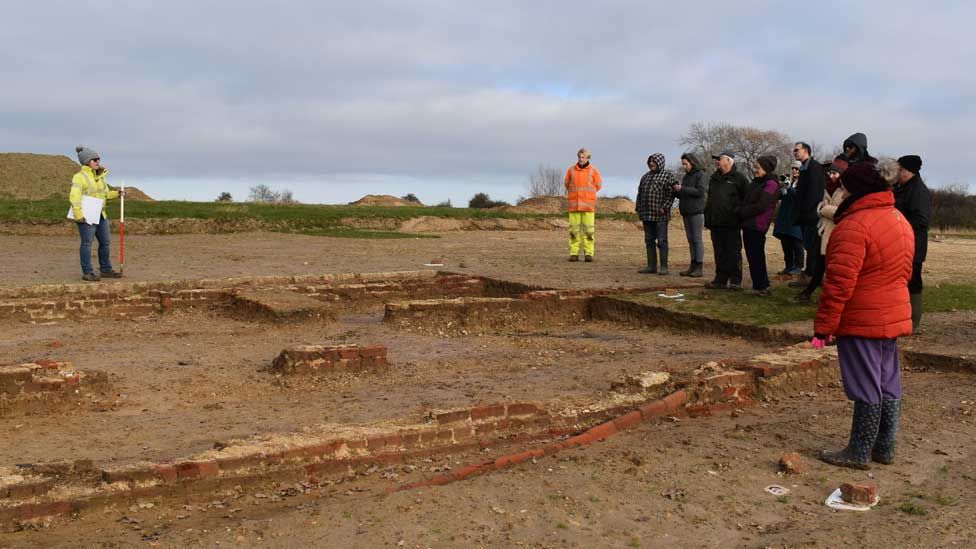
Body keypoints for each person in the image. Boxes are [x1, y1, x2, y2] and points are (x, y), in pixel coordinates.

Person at [814, 162, 914, 469]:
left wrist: (824, 328)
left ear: (852, 189)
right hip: (892, 312)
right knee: (887, 380)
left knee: (866, 383)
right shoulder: (899, 219)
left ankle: (858, 452)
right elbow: (906, 271)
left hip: (862, 316)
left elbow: (838, 283)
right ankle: (884, 447)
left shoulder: (854, 226)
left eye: (843, 186)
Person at [793, 156, 850, 303]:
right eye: (830, 173)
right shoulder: (827, 188)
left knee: (831, 268)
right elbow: (820, 207)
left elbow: (842, 212)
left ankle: (821, 295)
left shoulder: (846, 191)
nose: (831, 176)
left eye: (835, 173)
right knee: (819, 264)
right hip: (823, 231)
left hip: (836, 234)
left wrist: (824, 209)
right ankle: (809, 292)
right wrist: (823, 209)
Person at [69, 145, 124, 281]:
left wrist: (116, 194)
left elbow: (104, 194)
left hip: (101, 214)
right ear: (87, 161)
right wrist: (78, 214)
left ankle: (106, 269)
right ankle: (88, 272)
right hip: (86, 216)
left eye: (98, 159)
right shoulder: (79, 177)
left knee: (105, 242)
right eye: (94, 159)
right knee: (87, 243)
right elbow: (74, 196)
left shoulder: (100, 177)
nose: (98, 161)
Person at [893, 155, 932, 331]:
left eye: (900, 169)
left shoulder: (919, 191)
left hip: (914, 245)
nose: (897, 173)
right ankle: (900, 318)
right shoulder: (898, 188)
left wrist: (899, 222)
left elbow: (922, 220)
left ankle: (913, 321)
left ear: (910, 171)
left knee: (913, 280)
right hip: (898, 243)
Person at [703, 151, 749, 290]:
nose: (717, 161)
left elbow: (747, 199)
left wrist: (737, 212)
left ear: (729, 161)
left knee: (733, 252)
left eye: (719, 158)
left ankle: (735, 280)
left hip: (731, 223)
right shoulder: (714, 178)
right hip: (715, 222)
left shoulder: (740, 179)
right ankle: (720, 279)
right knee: (719, 252)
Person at [738, 155, 780, 296]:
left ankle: (763, 286)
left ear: (766, 168)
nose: (756, 170)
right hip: (748, 224)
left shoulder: (771, 184)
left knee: (757, 256)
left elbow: (762, 205)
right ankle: (758, 285)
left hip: (757, 224)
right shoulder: (756, 182)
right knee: (752, 256)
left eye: (758, 167)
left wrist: (742, 212)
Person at [789, 142, 825, 290]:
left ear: (806, 151)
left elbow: (814, 193)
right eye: (794, 150)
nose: (794, 152)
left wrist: (806, 212)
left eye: (797, 150)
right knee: (809, 246)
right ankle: (810, 274)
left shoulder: (814, 167)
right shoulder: (805, 168)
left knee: (812, 247)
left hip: (811, 215)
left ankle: (812, 276)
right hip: (806, 215)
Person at [635, 153, 677, 274]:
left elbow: (671, 194)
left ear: (660, 162)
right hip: (646, 214)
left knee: (662, 241)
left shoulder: (667, 175)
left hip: (661, 215)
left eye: (654, 161)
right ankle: (651, 267)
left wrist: (665, 207)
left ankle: (664, 267)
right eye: (650, 161)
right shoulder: (645, 177)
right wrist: (638, 208)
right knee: (649, 240)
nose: (651, 163)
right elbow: (639, 194)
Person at [564, 148, 603, 262]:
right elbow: (567, 184)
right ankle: (574, 253)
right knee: (574, 231)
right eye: (579, 157)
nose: (581, 159)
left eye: (583, 157)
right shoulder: (571, 170)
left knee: (588, 231)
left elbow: (598, 185)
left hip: (588, 207)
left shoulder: (594, 171)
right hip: (574, 206)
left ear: (588, 158)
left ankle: (588, 254)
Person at [673, 153, 707, 277]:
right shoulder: (687, 176)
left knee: (697, 239)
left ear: (692, 162)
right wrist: (676, 191)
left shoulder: (701, 174)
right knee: (690, 240)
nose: (684, 166)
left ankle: (699, 266)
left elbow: (700, 191)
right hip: (686, 212)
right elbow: (685, 193)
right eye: (683, 164)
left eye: (685, 164)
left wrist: (682, 189)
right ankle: (692, 265)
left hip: (696, 212)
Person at [772, 161, 804, 276]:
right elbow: (778, 197)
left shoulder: (805, 183)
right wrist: (781, 187)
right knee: (785, 243)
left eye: (797, 169)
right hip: (785, 217)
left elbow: (799, 198)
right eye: (793, 168)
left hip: (796, 217)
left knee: (796, 242)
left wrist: (789, 188)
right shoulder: (789, 182)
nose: (795, 171)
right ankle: (789, 266)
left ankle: (799, 266)